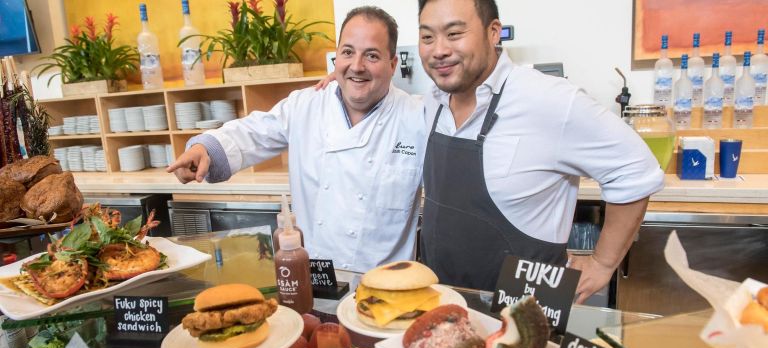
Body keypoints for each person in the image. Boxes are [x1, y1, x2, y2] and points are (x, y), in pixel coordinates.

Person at [417, 0, 664, 302]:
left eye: (454, 33)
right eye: (427, 37)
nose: (438, 49)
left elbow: (636, 170)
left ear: (493, 32)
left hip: (527, 311)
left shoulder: (549, 100)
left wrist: (602, 263)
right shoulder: (432, 100)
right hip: (441, 299)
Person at [167, 7, 425, 273]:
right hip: (316, 286)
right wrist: (204, 149)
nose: (356, 66)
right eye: (348, 52)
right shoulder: (305, 105)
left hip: (389, 293)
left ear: (393, 64)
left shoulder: (418, 117)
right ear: (336, 57)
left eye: (372, 55)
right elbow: (252, 132)